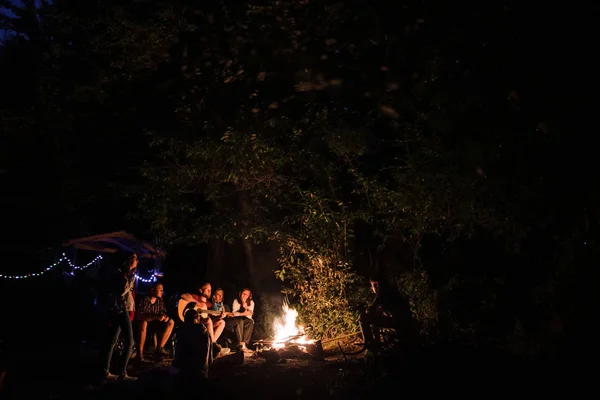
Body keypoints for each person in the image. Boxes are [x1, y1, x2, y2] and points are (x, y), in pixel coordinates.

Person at [98, 251, 138, 381]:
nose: (137, 261)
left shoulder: (128, 274)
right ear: (128, 260)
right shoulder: (120, 274)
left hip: (122, 308)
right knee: (129, 341)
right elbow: (121, 292)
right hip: (120, 309)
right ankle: (122, 373)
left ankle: (105, 371)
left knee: (112, 341)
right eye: (134, 258)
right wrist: (128, 276)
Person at [359, 274, 413, 352]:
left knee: (362, 317)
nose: (372, 288)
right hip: (403, 320)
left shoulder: (381, 293)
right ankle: (377, 344)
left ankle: (369, 344)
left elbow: (371, 310)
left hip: (397, 321)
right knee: (375, 317)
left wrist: (369, 310)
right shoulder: (391, 291)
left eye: (372, 286)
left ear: (377, 284)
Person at [172, 309, 213, 395]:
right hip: (202, 371)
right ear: (197, 318)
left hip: (185, 371)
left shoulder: (182, 332)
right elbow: (209, 357)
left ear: (186, 319)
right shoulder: (205, 332)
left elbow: (178, 356)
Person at [137, 282, 175, 360]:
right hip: (146, 324)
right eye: (160, 290)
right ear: (153, 290)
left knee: (171, 322)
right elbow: (140, 315)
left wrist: (164, 317)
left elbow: (162, 312)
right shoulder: (145, 299)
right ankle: (139, 353)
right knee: (143, 323)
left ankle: (160, 348)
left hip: (156, 324)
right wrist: (155, 317)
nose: (162, 292)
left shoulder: (160, 301)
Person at [231, 288, 255, 352]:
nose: (244, 295)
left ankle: (244, 344)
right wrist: (242, 313)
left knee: (250, 322)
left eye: (247, 295)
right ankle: (240, 344)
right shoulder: (236, 301)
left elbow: (250, 313)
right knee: (240, 321)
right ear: (240, 293)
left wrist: (245, 307)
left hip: (246, 318)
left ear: (249, 296)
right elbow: (234, 313)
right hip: (237, 319)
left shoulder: (251, 302)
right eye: (243, 293)